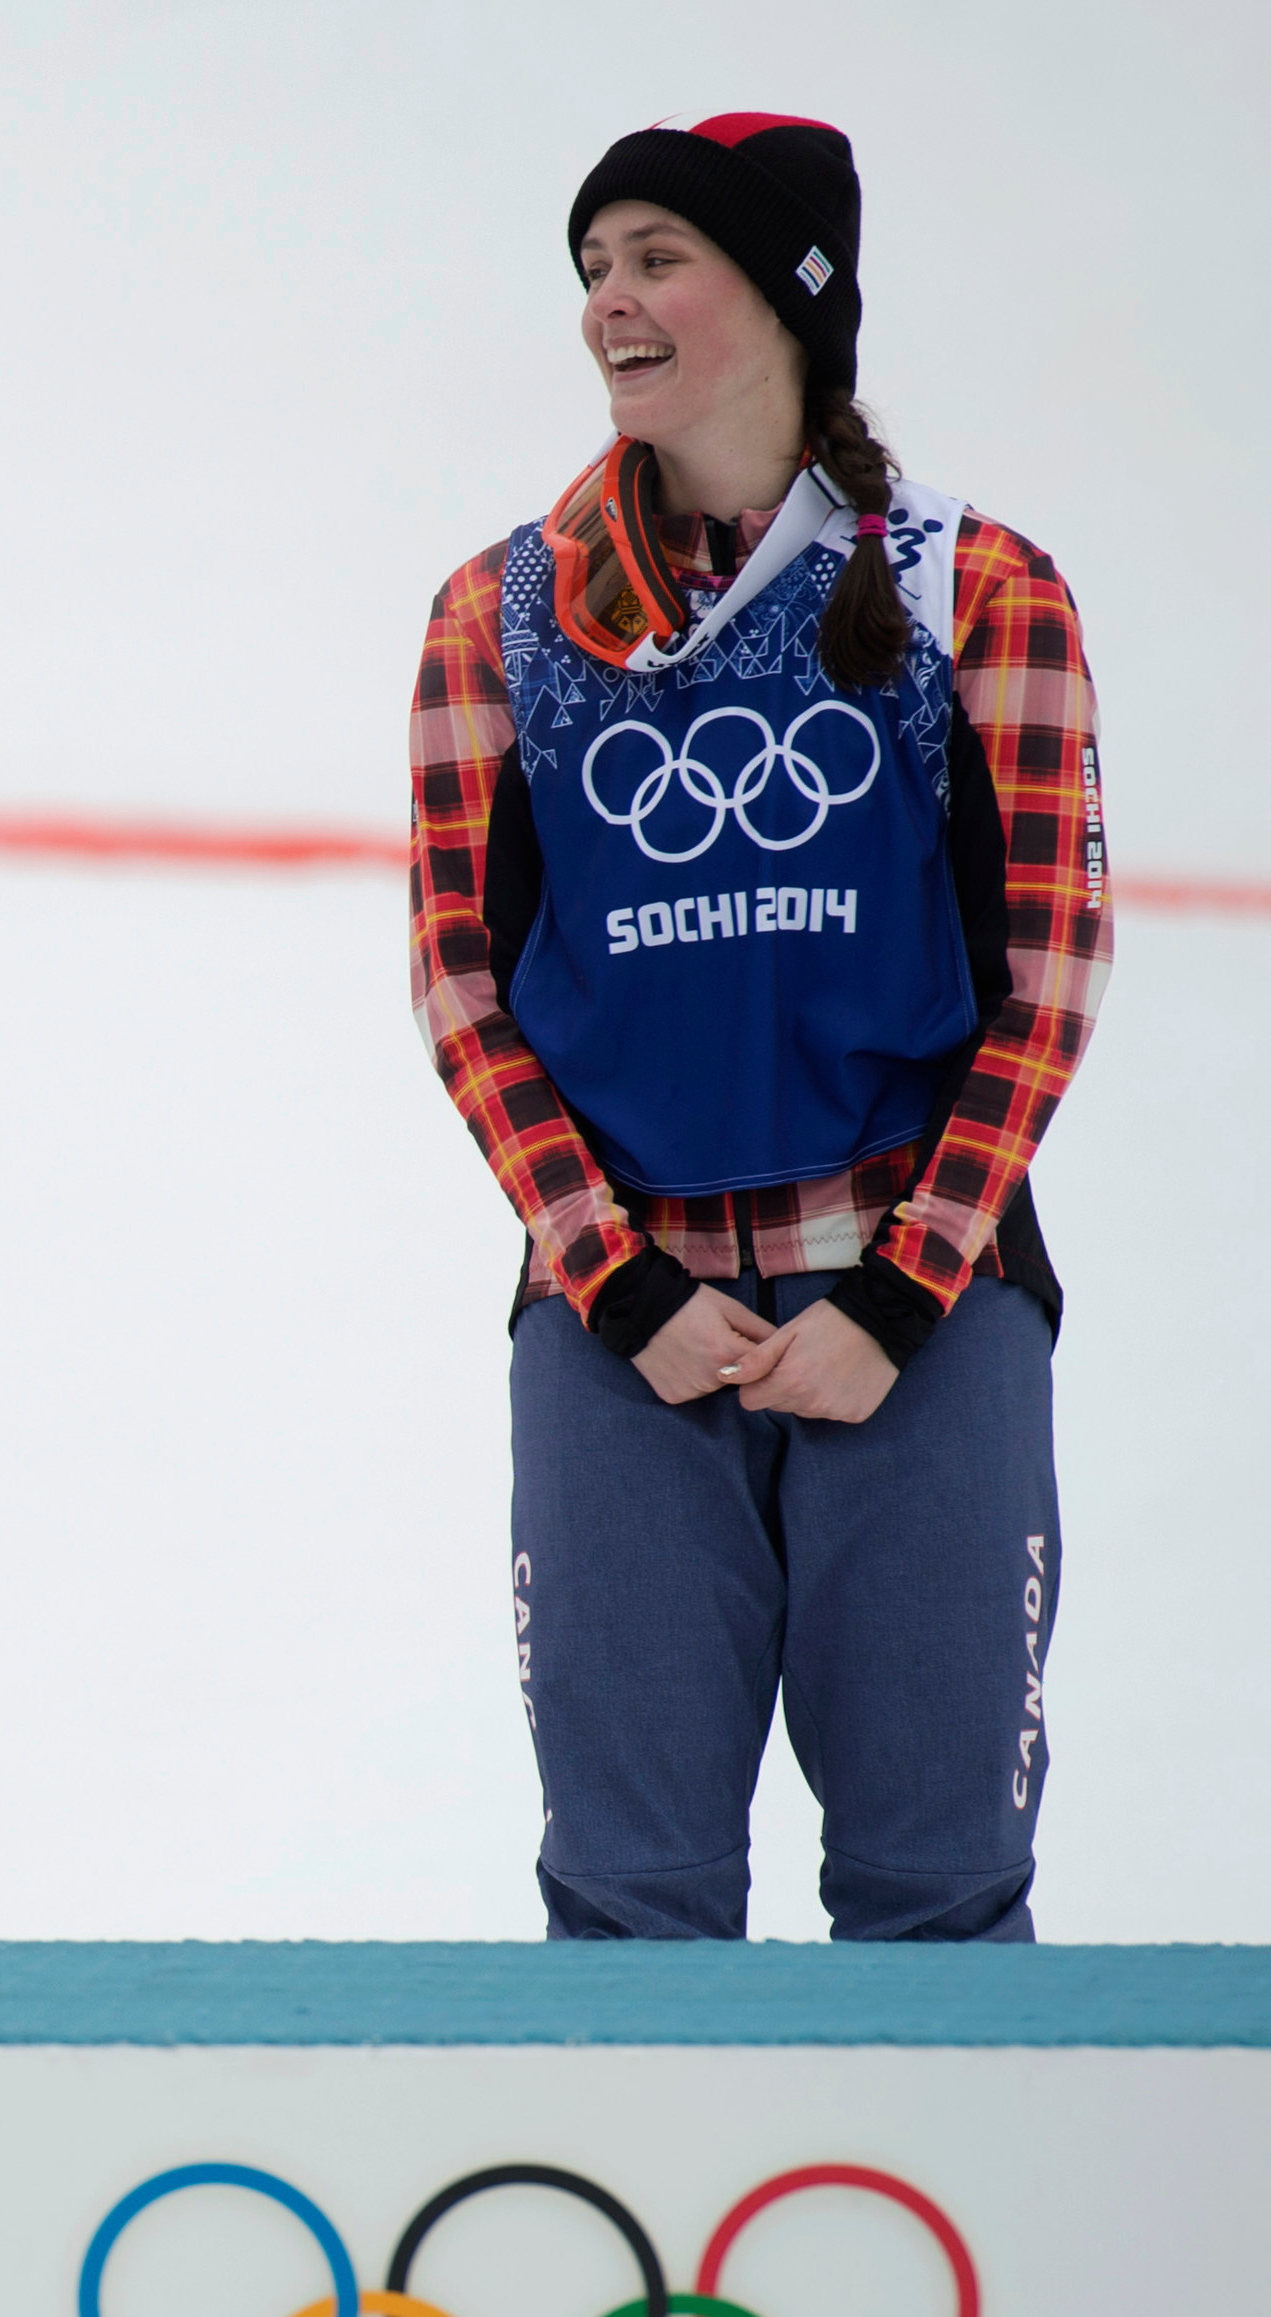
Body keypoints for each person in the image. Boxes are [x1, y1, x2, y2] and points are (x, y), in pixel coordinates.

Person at [407, 115, 1109, 1941]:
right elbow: (462, 986)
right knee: (628, 1910)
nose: (608, 304)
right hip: (626, 1335)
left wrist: (902, 1298)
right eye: (594, 268)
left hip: (919, 1317)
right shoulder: (499, 614)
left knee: (940, 1900)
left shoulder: (976, 588)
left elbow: (1048, 972)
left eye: (658, 259)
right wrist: (616, 1284)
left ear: (791, 300)